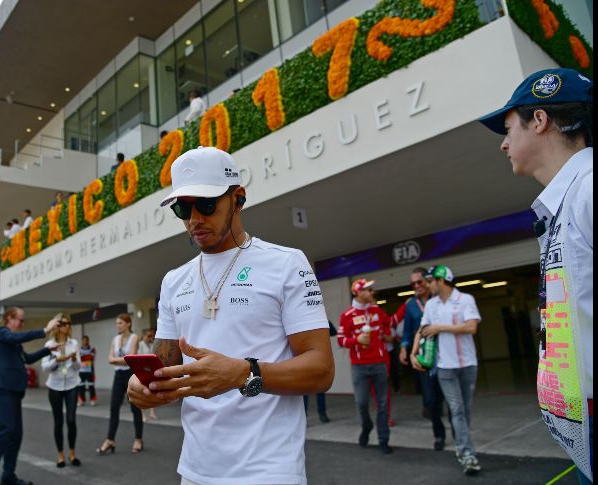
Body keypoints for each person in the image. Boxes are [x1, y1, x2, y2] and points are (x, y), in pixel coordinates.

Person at [127, 146, 334, 484]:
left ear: (238, 198)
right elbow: (163, 368)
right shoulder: (173, 280)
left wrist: (243, 373)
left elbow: (321, 370)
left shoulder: (286, 263)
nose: (194, 219)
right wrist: (142, 386)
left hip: (268, 471)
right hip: (195, 469)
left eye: (207, 205)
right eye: (183, 208)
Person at [478, 67, 593, 483]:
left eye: (508, 129)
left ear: (540, 120)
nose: (504, 144)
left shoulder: (588, 190)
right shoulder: (563, 203)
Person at [0, 308, 60, 485]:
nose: (22, 324)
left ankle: (8, 476)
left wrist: (47, 350)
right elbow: (15, 337)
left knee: (15, 434)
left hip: (13, 390)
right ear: (9, 319)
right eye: (20, 320)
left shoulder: (13, 341)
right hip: (0, 388)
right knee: (7, 430)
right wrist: (45, 331)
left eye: (23, 321)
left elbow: (27, 359)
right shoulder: (1, 334)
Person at [411, 265, 481, 475]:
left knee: (464, 410)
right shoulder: (431, 305)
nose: (426, 284)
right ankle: (467, 453)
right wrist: (414, 353)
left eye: (430, 280)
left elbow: (471, 327)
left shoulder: (465, 299)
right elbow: (423, 330)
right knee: (457, 409)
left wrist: (440, 327)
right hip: (444, 367)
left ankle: (461, 443)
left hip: (467, 365)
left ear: (441, 281)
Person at [338, 277, 394, 454]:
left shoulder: (377, 310)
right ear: (358, 293)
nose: (372, 293)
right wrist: (356, 340)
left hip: (379, 364)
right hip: (359, 366)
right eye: (368, 290)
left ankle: (383, 439)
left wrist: (406, 309)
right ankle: (367, 426)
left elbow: (390, 324)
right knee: (361, 403)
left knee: (383, 404)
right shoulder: (347, 315)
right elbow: (341, 340)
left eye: (372, 290)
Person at [398, 267, 446, 450]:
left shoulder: (439, 298)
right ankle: (439, 435)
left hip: (444, 353)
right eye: (413, 283)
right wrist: (404, 348)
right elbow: (408, 330)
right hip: (423, 355)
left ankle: (458, 435)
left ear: (427, 281)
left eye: (419, 282)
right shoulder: (410, 305)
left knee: (448, 398)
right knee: (431, 398)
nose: (416, 286)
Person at [96, 313, 144, 455]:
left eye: (120, 323)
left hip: (131, 374)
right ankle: (110, 440)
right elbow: (109, 359)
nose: (118, 325)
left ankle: (138, 439)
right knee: (113, 407)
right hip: (118, 375)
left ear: (128, 324)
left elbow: (131, 359)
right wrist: (121, 359)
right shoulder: (115, 339)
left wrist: (117, 359)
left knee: (136, 407)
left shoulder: (134, 337)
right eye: (117, 323)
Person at [41, 314, 81, 467]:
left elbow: (78, 368)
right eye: (64, 323)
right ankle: (61, 455)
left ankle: (72, 453)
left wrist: (74, 359)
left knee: (71, 420)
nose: (67, 326)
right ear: (57, 326)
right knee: (58, 422)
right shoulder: (49, 344)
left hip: (72, 384)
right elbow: (44, 367)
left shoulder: (74, 343)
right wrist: (57, 360)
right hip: (55, 385)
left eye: (69, 324)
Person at [137, 328, 158, 421]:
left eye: (151, 336)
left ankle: (152, 413)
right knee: (143, 393)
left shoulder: (152, 344)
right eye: (148, 336)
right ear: (144, 336)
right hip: (142, 371)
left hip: (151, 371)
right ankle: (142, 415)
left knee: (153, 391)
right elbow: (137, 357)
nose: (150, 338)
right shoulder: (140, 345)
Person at [77, 335, 98, 406]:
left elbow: (91, 357)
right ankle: (82, 400)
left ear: (88, 341)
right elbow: (80, 359)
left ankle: (92, 399)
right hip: (81, 371)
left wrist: (83, 357)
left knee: (91, 386)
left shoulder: (92, 349)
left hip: (90, 371)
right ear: (82, 341)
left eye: (86, 340)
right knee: (81, 386)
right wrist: (85, 357)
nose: (85, 342)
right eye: (83, 340)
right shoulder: (79, 350)